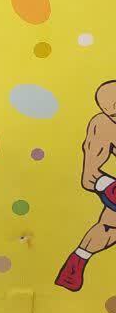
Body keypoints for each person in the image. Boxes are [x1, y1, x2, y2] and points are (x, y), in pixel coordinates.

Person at [55, 80, 116, 291]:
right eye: (114, 113)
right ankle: (77, 263)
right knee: (110, 225)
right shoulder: (103, 125)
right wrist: (108, 185)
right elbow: (89, 176)